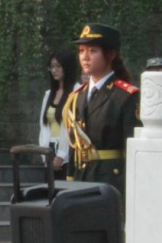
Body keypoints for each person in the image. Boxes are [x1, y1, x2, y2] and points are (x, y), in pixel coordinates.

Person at [63, 23, 142, 204]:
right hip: (81, 180)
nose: (85, 57)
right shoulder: (76, 97)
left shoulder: (124, 96)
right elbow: (75, 147)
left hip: (111, 182)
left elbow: (132, 149)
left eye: (92, 51)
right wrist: (70, 181)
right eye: (81, 51)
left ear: (110, 55)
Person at [38, 50, 77, 180]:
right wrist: (44, 153)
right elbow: (44, 126)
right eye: (51, 67)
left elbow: (71, 127)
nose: (54, 70)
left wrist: (61, 155)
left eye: (58, 66)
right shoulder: (49, 94)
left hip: (68, 153)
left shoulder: (76, 92)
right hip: (49, 149)